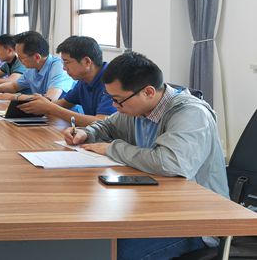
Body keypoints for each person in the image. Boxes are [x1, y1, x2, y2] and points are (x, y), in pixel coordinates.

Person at [62, 52, 229, 260]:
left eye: (118, 100)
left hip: (196, 220)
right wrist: (86, 133)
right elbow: (107, 125)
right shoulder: (138, 109)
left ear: (148, 92)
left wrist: (112, 148)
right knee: (93, 238)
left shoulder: (190, 113)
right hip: (155, 207)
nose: (114, 106)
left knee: (112, 253)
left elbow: (170, 163)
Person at [15, 36, 115, 125]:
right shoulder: (83, 80)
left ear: (86, 61)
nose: (64, 68)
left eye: (67, 62)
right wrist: (40, 105)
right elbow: (64, 103)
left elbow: (102, 122)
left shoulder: (112, 80)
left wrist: (50, 107)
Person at [0, 31, 74, 101]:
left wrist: (15, 97)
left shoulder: (59, 67)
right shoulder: (32, 68)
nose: (19, 60)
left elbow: (50, 99)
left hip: (64, 117)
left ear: (37, 57)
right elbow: (14, 86)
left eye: (21, 57)